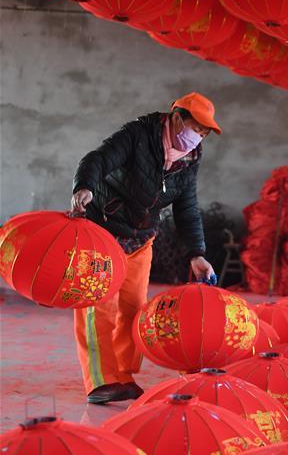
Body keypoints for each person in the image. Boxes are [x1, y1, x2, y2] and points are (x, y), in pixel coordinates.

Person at [71, 91, 220, 404]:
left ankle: (123, 374)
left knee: (134, 308)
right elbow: (97, 159)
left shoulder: (190, 158)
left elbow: (187, 206)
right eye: (196, 129)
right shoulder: (138, 136)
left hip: (140, 240)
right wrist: (83, 186)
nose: (197, 138)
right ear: (177, 118)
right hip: (103, 232)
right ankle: (100, 381)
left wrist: (197, 254)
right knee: (99, 307)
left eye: (204, 133)